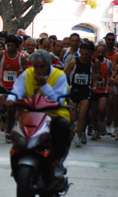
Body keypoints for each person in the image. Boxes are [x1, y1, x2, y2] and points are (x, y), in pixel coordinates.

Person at [6, 50, 71, 179]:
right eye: (35, 66)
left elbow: (57, 99)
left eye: (41, 66)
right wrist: (10, 100)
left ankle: (57, 160)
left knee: (63, 126)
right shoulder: (27, 73)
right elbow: (16, 91)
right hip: (31, 113)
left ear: (48, 64)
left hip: (53, 114)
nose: (38, 69)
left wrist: (44, 85)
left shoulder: (60, 76)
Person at [64, 41, 98, 147]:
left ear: (90, 54)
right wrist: (66, 87)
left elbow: (94, 78)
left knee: (83, 115)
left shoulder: (91, 64)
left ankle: (78, 137)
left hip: (85, 91)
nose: (84, 56)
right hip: (74, 90)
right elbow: (64, 75)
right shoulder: (73, 62)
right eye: (82, 54)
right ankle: (73, 128)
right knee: (73, 117)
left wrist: (95, 86)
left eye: (86, 54)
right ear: (80, 52)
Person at [0, 34, 27, 143]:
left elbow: (27, 72)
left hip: (15, 89)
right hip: (3, 85)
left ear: (16, 46)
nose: (10, 48)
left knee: (12, 110)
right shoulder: (1, 55)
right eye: (8, 45)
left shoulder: (21, 57)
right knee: (3, 106)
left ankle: (8, 132)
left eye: (12, 46)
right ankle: (2, 116)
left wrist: (22, 74)